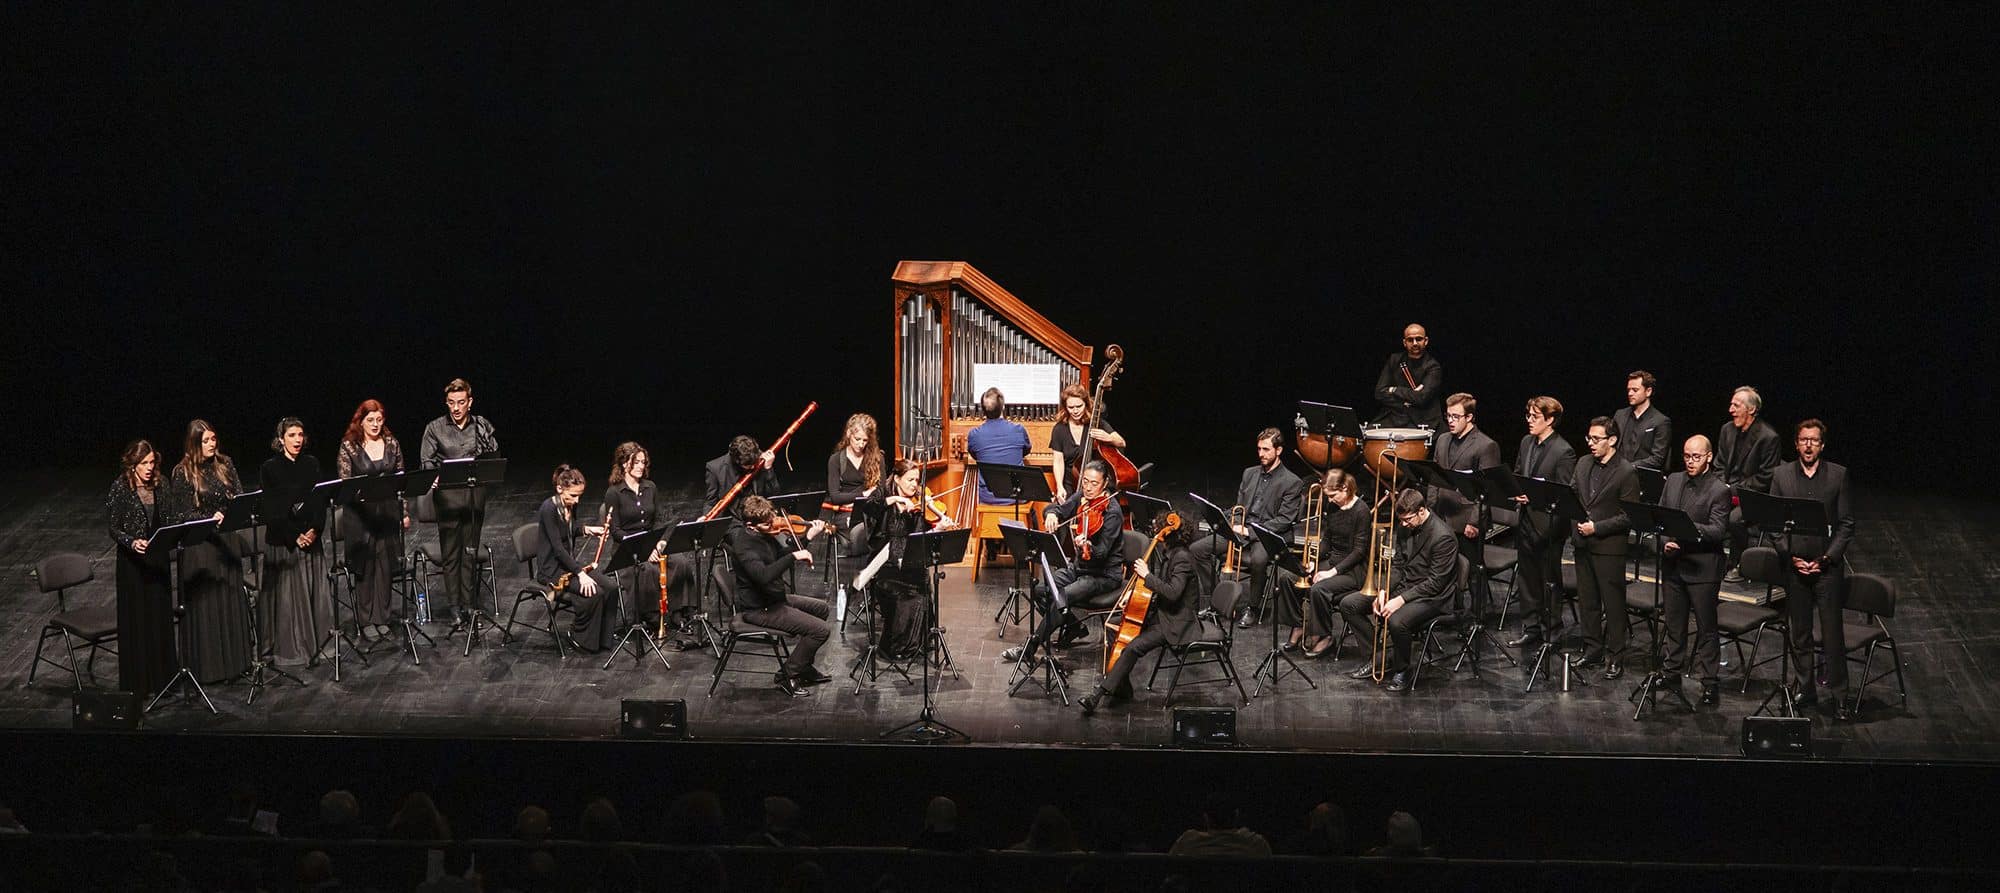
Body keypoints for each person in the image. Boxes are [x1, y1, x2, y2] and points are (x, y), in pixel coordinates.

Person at [1769, 418, 1857, 719]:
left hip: (1826, 570)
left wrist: (1827, 558)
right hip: (1795, 569)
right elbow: (1774, 524)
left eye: (1814, 441)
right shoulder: (1781, 475)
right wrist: (1790, 556)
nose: (1808, 445)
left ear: (1822, 445)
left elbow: (1846, 524)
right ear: (1796, 444)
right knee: (1800, 634)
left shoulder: (1838, 476)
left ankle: (1840, 696)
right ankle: (1805, 688)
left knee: (1832, 635)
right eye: (1804, 440)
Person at [1000, 461, 1125, 667]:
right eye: (1085, 482)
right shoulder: (1082, 498)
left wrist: (1088, 546)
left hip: (1103, 575)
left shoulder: (1112, 512)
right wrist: (1051, 514)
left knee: (1062, 597)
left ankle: (1030, 648)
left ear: (1105, 484)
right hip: (1079, 568)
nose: (1088, 487)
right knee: (1039, 590)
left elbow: (1102, 552)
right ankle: (1073, 626)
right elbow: (1057, 508)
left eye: (1094, 483)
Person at [1339, 489, 1459, 692]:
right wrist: (1384, 590)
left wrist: (1400, 599)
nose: (1403, 524)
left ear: (1422, 511)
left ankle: (1403, 669)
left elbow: (1436, 583)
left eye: (1407, 519)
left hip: (1433, 597)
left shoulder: (1443, 537)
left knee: (1397, 620)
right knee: (1350, 604)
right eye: (1401, 520)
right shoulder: (1406, 526)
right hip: (1406, 587)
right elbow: (1398, 565)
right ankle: (1379, 658)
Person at [1079, 511, 1197, 715]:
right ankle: (1122, 687)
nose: (1156, 534)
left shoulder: (1182, 559)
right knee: (1114, 627)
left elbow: (1173, 593)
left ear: (1169, 534)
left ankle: (1098, 694)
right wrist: (1133, 595)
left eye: (1160, 530)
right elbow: (1161, 589)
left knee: (1133, 647)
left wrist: (1147, 575)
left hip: (1175, 621)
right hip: (1162, 613)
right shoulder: (1171, 554)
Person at [1189, 428, 1307, 629]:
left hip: (1267, 535)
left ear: (1278, 450)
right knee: (1197, 550)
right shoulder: (1249, 473)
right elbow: (1240, 506)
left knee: (1258, 560)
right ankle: (1219, 599)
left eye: (1266, 449)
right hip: (1243, 528)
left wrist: (1250, 532)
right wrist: (1231, 521)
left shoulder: (1292, 482)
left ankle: (1252, 607)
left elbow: (1284, 520)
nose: (1261, 453)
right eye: (1259, 449)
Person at [164, 420, 250, 683]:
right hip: (200, 546)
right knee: (208, 607)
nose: (212, 444)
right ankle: (210, 670)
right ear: (194, 444)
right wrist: (207, 518)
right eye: (206, 441)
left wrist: (226, 512)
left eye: (213, 439)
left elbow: (239, 496)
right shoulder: (182, 472)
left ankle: (235, 665)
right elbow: (180, 514)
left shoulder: (225, 464)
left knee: (230, 601)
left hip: (226, 542)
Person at [724, 494, 833, 697]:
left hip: (775, 598)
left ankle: (803, 666)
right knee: (821, 630)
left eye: (771, 519)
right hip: (760, 608)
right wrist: (794, 556)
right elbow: (764, 576)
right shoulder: (744, 546)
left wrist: (808, 537)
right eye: (767, 524)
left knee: (822, 609)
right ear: (750, 525)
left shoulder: (764, 534)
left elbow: (781, 555)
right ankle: (787, 674)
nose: (772, 525)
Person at [1657, 435, 1731, 706]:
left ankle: (1709, 682)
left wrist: (1684, 529)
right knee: (1674, 624)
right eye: (1687, 456)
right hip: (1674, 565)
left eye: (1696, 457)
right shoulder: (1674, 480)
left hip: (1702, 569)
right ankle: (1671, 672)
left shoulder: (1719, 490)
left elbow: (1718, 530)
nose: (1690, 461)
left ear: (1709, 457)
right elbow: (1661, 516)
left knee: (1706, 628)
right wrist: (1666, 541)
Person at [420, 378, 500, 628]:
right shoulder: (435, 428)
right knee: (452, 554)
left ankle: (470, 605)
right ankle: (455, 607)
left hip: (474, 499)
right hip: (448, 501)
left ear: (469, 402)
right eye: (451, 402)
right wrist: (433, 476)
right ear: (446, 402)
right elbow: (426, 462)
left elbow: (493, 456)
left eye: (461, 402)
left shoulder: (481, 425)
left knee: (470, 553)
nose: (456, 408)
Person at [855, 459, 953, 659]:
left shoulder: (919, 502)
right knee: (908, 597)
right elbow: (869, 508)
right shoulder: (883, 493)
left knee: (923, 588)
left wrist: (939, 528)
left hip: (909, 563)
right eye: (910, 480)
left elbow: (920, 538)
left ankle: (919, 643)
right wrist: (895, 500)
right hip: (886, 565)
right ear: (898, 479)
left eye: (917, 480)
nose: (915, 485)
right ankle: (896, 646)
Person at [600, 442, 695, 636]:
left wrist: (661, 542)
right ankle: (652, 618)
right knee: (648, 570)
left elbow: (658, 520)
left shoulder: (650, 487)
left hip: (652, 542)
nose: (640, 466)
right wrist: (644, 548)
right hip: (628, 548)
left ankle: (678, 613)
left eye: (643, 462)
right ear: (624, 463)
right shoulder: (614, 492)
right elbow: (615, 531)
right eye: (636, 462)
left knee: (681, 562)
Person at [1504, 397, 1577, 650]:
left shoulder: (1564, 451)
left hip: (1548, 526)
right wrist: (1516, 492)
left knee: (1549, 581)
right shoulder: (1526, 442)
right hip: (1526, 520)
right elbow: (1518, 473)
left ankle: (1551, 631)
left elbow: (1563, 494)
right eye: (1528, 415)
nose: (1529, 420)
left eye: (1535, 416)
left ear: (1550, 420)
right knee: (1527, 579)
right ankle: (1531, 627)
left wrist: (1534, 498)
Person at [1570, 416, 1639, 678]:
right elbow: (1573, 495)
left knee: (1613, 604)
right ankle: (1592, 650)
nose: (1590, 443)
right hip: (1582, 543)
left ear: (1612, 440)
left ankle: (1615, 656)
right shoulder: (1583, 463)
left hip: (1608, 547)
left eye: (1596, 439)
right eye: (1589, 438)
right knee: (1588, 601)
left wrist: (1597, 527)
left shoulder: (1626, 471)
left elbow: (1628, 516)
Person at [260, 417, 331, 667]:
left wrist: (315, 529)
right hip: (285, 543)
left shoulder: (311, 463)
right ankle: (295, 648)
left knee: (316, 593)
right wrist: (294, 536)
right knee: (290, 601)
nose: (297, 440)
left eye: (300, 435)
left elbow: (320, 500)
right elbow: (272, 510)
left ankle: (319, 641)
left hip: (311, 539)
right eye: (292, 435)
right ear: (281, 439)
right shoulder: (270, 468)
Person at [335, 399, 408, 639]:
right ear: (361, 421)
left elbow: (401, 481)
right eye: (370, 420)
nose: (375, 424)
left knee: (385, 567)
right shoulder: (349, 446)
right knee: (365, 568)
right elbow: (345, 483)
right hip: (360, 517)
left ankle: (382, 617)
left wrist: (404, 512)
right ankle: (366, 620)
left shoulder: (391, 443)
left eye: (379, 419)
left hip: (386, 514)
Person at [108, 439, 175, 697]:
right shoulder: (121, 487)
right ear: (132, 464)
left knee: (159, 618)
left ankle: (162, 681)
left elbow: (170, 518)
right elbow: (113, 527)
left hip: (157, 561)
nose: (149, 468)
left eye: (151, 463)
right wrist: (131, 541)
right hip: (132, 566)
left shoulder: (162, 484)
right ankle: (139, 684)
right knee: (137, 621)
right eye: (143, 463)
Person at [1431, 393, 1503, 611]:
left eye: (1456, 416)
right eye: (1448, 415)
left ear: (1469, 417)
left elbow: (1487, 489)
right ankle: (1451, 611)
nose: (1450, 421)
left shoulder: (1486, 445)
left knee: (1472, 571)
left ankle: (1477, 615)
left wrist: (1474, 522)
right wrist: (1429, 510)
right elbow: (1434, 477)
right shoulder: (1443, 440)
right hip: (1442, 514)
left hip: (1467, 519)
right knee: (1443, 567)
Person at [536, 465, 616, 652]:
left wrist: (587, 529)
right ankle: (580, 637)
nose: (576, 500)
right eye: (573, 495)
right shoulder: (548, 509)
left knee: (611, 587)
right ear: (559, 488)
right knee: (594, 592)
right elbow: (557, 548)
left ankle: (603, 639)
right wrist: (580, 573)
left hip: (567, 564)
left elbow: (568, 530)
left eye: (579, 495)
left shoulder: (570, 504)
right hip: (552, 569)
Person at [1291, 469, 1369, 657]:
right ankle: (1299, 625)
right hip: (1332, 561)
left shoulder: (1362, 511)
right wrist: (1313, 560)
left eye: (1333, 495)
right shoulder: (1333, 506)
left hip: (1353, 570)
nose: (1330, 500)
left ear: (1345, 488)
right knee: (1290, 578)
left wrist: (1331, 572)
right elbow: (1327, 540)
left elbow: (1359, 552)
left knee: (1319, 588)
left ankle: (1324, 636)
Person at [1716, 385, 1780, 583]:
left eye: (1736, 405)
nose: (1730, 410)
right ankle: (1711, 560)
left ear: (1751, 409)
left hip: (1753, 496)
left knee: (1734, 519)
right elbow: (1719, 465)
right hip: (1726, 490)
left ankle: (1737, 563)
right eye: (1731, 405)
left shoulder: (1768, 437)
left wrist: (1732, 490)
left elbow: (1766, 477)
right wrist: (1720, 487)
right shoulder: (1727, 430)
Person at [1048, 382, 1126, 502]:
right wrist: (1060, 486)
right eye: (1071, 407)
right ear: (1065, 407)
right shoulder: (1059, 429)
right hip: (1071, 482)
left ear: (1086, 404)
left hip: (1095, 483)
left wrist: (1108, 438)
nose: (1075, 411)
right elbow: (1058, 461)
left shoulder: (1096, 423)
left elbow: (1122, 443)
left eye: (1079, 406)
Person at [823, 412, 884, 541]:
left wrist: (860, 502)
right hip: (845, 511)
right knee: (859, 533)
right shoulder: (836, 459)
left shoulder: (878, 458)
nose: (861, 444)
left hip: (870, 509)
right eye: (857, 439)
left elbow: (881, 491)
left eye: (865, 440)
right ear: (849, 434)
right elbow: (835, 497)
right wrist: (863, 495)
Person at [965, 388, 1032, 504]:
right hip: (1016, 497)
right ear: (1003, 407)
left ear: (983, 410)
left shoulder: (974, 434)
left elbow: (975, 456)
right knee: (1033, 508)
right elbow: (1026, 450)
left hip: (988, 498)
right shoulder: (1018, 429)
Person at [1373, 323, 1444, 430]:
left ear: (1426, 341)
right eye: (1410, 340)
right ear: (1404, 342)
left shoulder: (1433, 366)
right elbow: (1379, 393)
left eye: (1418, 339)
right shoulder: (1394, 360)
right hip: (1395, 416)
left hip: (1423, 418)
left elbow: (1421, 398)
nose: (1415, 343)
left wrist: (1394, 390)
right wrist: (1409, 399)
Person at [1167, 793, 1272, 857]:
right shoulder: (1255, 844)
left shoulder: (1188, 841)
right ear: (1236, 815)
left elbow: (1170, 871)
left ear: (1206, 818)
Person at [1612, 370, 1673, 473]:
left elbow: (1657, 458)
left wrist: (1628, 468)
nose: (1630, 393)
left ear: (1648, 391)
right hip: (1616, 472)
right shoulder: (1620, 415)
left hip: (1641, 475)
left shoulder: (1661, 421)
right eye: (1628, 390)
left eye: (1635, 390)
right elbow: (1611, 444)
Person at [705, 434, 779, 519]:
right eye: (748, 465)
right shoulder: (715, 468)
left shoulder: (759, 459)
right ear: (736, 460)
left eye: (754, 463)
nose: (753, 467)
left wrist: (768, 469)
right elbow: (711, 502)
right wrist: (706, 518)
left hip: (761, 515)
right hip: (734, 519)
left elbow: (774, 494)